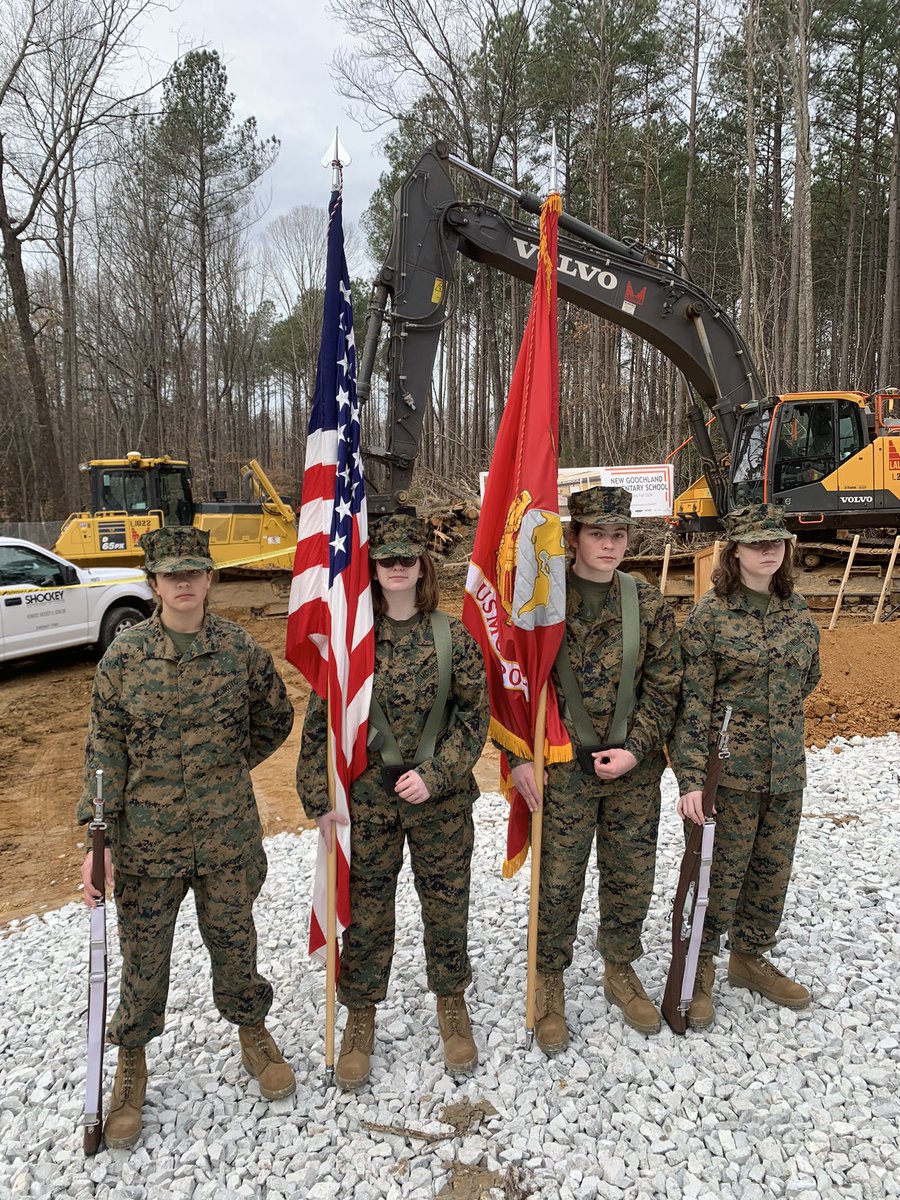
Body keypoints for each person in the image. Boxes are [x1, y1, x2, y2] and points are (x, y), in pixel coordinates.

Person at [78, 526, 295, 1150]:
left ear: (209, 578)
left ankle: (253, 1032)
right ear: (153, 583)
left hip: (225, 834)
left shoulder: (239, 649)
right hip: (147, 842)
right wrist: (97, 846)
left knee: (235, 942)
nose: (183, 583)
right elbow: (103, 751)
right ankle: (131, 1062)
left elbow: (275, 718)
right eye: (171, 574)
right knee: (144, 959)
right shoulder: (124, 658)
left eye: (193, 572)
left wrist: (222, 768)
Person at [296, 513, 488, 1090]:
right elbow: (321, 723)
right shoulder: (351, 641)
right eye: (387, 560)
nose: (398, 567)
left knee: (447, 907)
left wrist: (437, 775)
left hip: (439, 803)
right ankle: (360, 1014)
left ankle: (451, 1003)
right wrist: (318, 798)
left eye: (408, 558)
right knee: (367, 914)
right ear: (372, 569)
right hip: (368, 804)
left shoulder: (453, 636)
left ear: (423, 567)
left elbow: (474, 718)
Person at [510, 486, 681, 1052]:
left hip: (632, 771)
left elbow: (666, 687)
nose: (609, 545)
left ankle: (619, 967)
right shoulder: (540, 601)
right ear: (574, 537)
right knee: (557, 881)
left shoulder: (647, 603)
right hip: (562, 772)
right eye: (597, 534)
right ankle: (549, 979)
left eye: (618, 535)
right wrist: (518, 757)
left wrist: (636, 749)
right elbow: (511, 683)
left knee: (630, 874)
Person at [669, 503, 821, 1028]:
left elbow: (808, 679)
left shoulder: (797, 611)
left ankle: (750, 956)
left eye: (776, 542)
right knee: (718, 874)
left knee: (771, 870)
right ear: (734, 552)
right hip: (728, 775)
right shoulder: (710, 617)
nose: (769, 551)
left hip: (785, 770)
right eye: (757, 543)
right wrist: (691, 781)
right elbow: (692, 705)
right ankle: (701, 964)